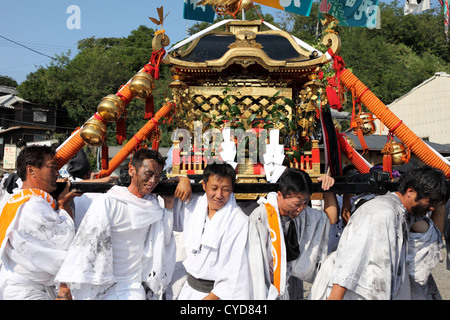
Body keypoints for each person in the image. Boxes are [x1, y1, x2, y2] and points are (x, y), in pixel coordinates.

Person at [54, 148, 191, 300]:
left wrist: (173, 196)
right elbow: (85, 243)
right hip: (103, 285)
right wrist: (64, 287)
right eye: (148, 174)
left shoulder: (152, 205)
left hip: (133, 286)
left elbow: (163, 240)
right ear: (132, 170)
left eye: (157, 176)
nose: (152, 181)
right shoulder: (109, 202)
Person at [310, 165, 449, 300]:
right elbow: (350, 257)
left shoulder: (403, 213)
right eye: (431, 201)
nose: (432, 208)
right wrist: (336, 296)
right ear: (410, 191)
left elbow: (432, 233)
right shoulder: (381, 213)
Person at [0, 145, 77, 300]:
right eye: (52, 168)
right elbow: (64, 240)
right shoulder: (32, 204)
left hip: (23, 287)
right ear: (31, 170)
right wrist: (62, 205)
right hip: (25, 291)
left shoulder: (14, 199)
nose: (57, 173)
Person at [248, 168, 338, 299]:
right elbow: (254, 265)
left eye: (305, 203)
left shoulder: (302, 214)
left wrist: (327, 189)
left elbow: (331, 218)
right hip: (263, 286)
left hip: (292, 282)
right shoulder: (261, 217)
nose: (300, 208)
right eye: (297, 203)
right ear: (280, 195)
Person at [167, 163, 251, 300]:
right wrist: (182, 179)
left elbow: (235, 267)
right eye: (214, 188)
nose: (219, 195)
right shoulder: (192, 205)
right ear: (204, 186)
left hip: (218, 295)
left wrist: (212, 297)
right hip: (189, 290)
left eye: (225, 189)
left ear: (232, 189)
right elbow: (173, 221)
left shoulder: (239, 221)